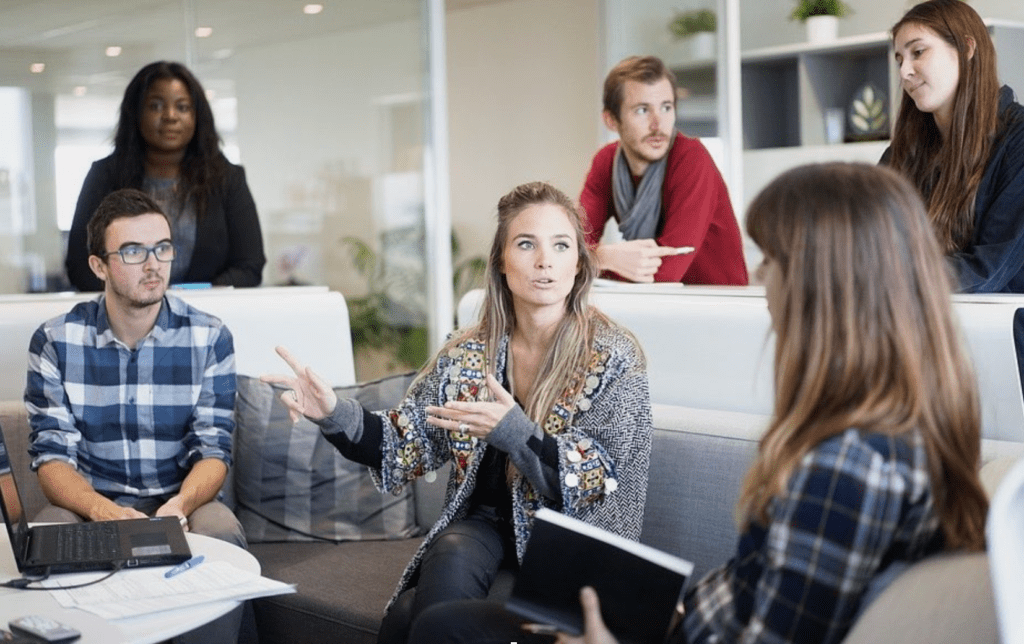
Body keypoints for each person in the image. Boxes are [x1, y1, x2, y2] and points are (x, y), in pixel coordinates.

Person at [409, 163, 990, 644]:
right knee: (439, 618)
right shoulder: (892, 430)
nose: (761, 280)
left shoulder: (847, 466)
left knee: (443, 630)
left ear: (826, 284)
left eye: (773, 261)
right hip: (683, 621)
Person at [263, 181, 653, 644]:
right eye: (526, 244)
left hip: (573, 545)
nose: (545, 260)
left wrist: (513, 431)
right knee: (449, 551)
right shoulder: (469, 353)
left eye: (561, 245)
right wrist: (331, 412)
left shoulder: (613, 356)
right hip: (485, 527)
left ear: (578, 265)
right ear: (502, 264)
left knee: (411, 615)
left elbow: (596, 477)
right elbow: (402, 442)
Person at [26, 189, 248, 642]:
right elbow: (51, 458)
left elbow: (214, 449)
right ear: (98, 266)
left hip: (182, 500)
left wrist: (179, 507)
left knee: (221, 531)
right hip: (91, 503)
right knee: (47, 531)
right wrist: (101, 511)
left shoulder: (209, 337)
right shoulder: (55, 340)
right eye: (133, 251)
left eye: (162, 248)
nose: (154, 264)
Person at [881, 0, 1024, 389]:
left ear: (967, 47)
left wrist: (885, 280)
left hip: (1005, 363)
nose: (905, 71)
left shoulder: (1018, 142)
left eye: (918, 52)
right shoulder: (900, 155)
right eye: (899, 59)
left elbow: (989, 269)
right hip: (921, 355)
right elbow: (872, 244)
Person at [65, 60, 266, 291]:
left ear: (197, 116)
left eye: (183, 107)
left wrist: (191, 300)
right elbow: (80, 267)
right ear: (136, 113)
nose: (170, 116)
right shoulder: (104, 176)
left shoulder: (228, 179)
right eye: (156, 106)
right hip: (126, 319)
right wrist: (141, 298)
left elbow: (249, 266)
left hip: (208, 316)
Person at [579, 55, 747, 285]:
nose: (658, 124)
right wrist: (603, 256)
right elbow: (570, 247)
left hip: (716, 306)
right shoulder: (606, 162)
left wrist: (594, 260)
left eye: (666, 107)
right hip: (654, 305)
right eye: (642, 110)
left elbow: (666, 272)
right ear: (611, 120)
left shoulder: (691, 159)